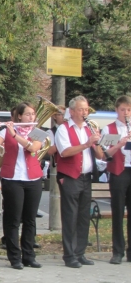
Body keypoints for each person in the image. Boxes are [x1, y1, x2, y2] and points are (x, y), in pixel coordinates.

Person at [0, 102, 43, 270]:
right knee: (13, 220)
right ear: (19, 116)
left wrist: (15, 135)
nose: (31, 117)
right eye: (28, 114)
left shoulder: (37, 132)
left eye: (33, 114)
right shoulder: (5, 131)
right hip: (12, 179)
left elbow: (32, 148)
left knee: (30, 220)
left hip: (33, 179)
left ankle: (29, 255)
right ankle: (15, 257)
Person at [54, 95, 104, 268]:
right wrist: (86, 144)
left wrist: (98, 144)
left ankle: (80, 253)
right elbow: (65, 152)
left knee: (84, 216)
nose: (85, 112)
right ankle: (69, 255)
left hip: (86, 177)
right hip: (69, 177)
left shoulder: (89, 128)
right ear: (72, 111)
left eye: (87, 109)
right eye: (82, 109)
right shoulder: (63, 129)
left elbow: (99, 155)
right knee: (70, 216)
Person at [100, 95, 131, 264]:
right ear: (116, 110)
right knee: (118, 212)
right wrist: (120, 144)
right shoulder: (109, 129)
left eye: (128, 110)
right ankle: (117, 251)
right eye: (122, 110)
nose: (126, 113)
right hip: (119, 172)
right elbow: (105, 156)